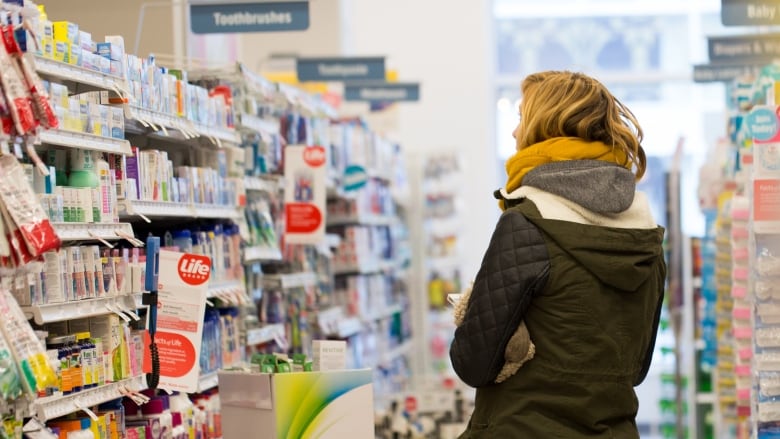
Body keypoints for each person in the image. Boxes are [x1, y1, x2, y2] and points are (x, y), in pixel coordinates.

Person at [449, 70, 666, 438]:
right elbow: (636, 367)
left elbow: (473, 363)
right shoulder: (644, 233)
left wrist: (472, 311)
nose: (515, 132)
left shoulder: (527, 224)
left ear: (542, 126)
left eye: (521, 119)